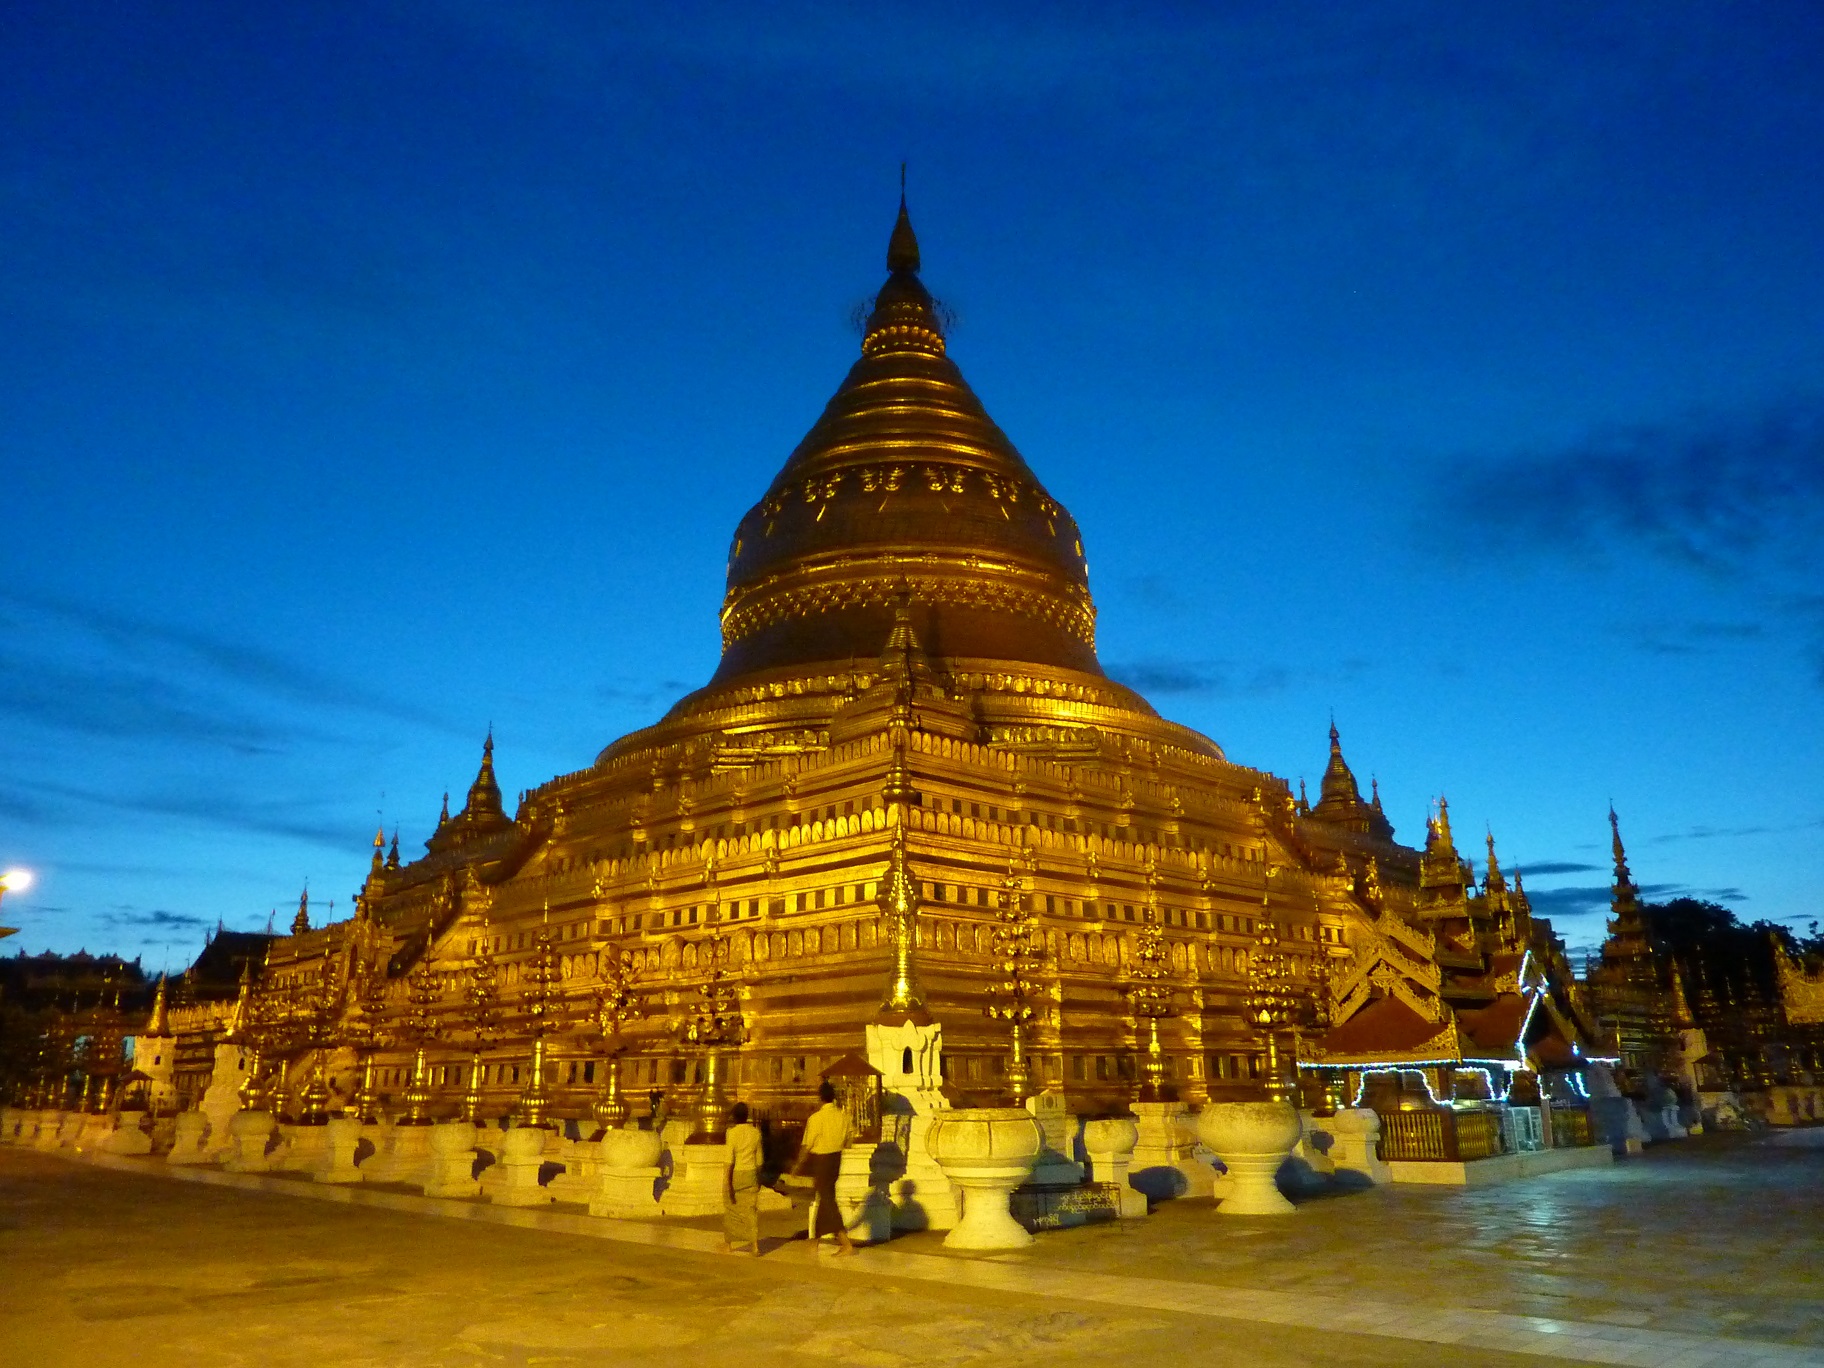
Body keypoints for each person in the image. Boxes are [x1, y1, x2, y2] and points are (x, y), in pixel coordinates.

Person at [795, 1080, 855, 1254]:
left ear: (820, 1098)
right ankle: (815, 1239)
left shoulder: (816, 1118)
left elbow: (807, 1145)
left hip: (822, 1160)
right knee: (825, 1197)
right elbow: (849, 1140)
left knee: (827, 1200)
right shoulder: (843, 1116)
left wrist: (798, 1165)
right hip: (836, 1159)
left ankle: (845, 1242)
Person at [721, 1102, 763, 1256]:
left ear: (734, 1116)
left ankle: (728, 1244)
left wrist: (727, 1183)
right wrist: (758, 1179)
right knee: (750, 1211)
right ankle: (755, 1245)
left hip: (736, 1174)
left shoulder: (731, 1133)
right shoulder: (755, 1132)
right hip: (751, 1173)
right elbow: (759, 1160)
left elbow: (729, 1160)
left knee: (731, 1209)